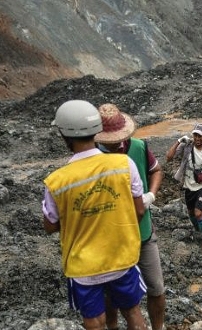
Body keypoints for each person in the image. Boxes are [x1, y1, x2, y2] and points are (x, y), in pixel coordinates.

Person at [41, 100, 147, 330]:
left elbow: (49, 226)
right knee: (133, 313)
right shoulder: (123, 164)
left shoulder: (57, 181)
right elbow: (139, 209)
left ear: (64, 136)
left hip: (84, 267)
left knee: (95, 322)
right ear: (96, 130)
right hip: (121, 256)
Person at [94, 103, 166, 330]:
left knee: (156, 286)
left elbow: (156, 169)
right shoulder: (93, 157)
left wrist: (151, 195)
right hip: (110, 238)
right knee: (110, 291)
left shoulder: (138, 147)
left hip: (142, 230)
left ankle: (158, 327)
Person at [166, 123, 202, 249]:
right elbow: (169, 157)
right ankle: (199, 230)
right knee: (190, 213)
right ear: (192, 135)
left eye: (200, 136)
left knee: (198, 213)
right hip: (188, 186)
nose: (198, 139)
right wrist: (178, 141)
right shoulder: (187, 147)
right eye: (195, 136)